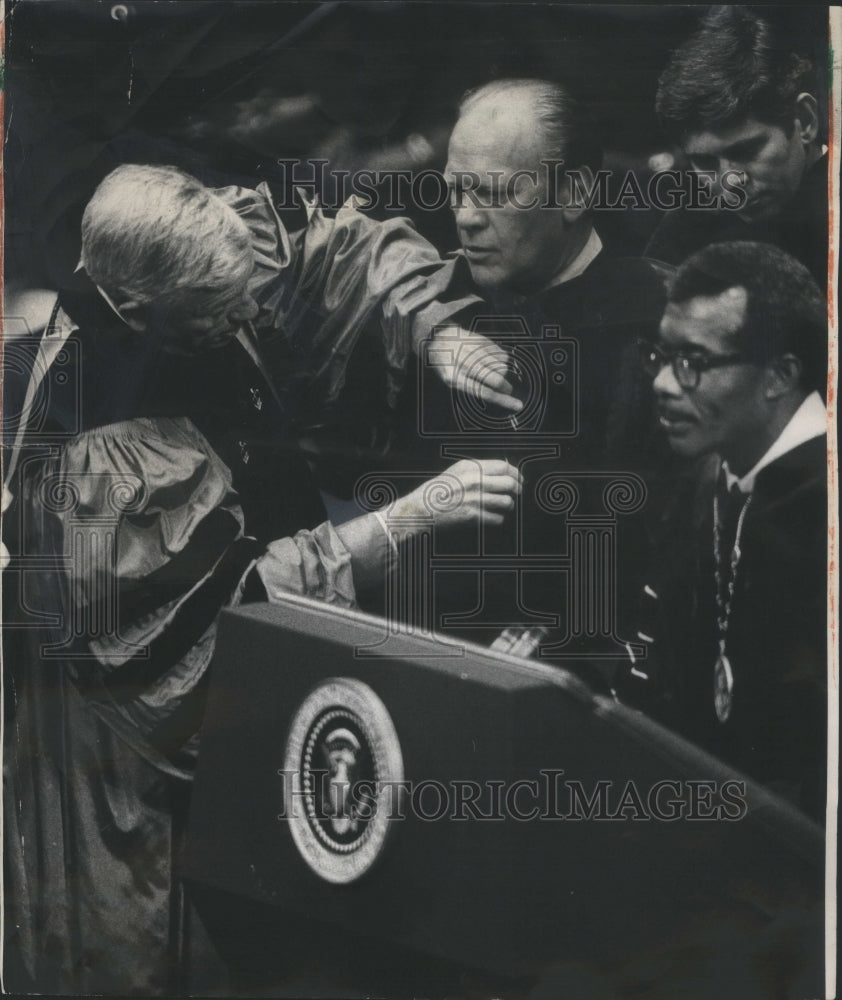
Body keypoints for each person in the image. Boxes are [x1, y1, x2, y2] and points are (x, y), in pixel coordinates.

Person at [1, 164, 522, 995]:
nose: (248, 313)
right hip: (132, 764)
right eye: (221, 311)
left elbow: (327, 252)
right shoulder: (89, 456)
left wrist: (430, 325)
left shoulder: (206, 247)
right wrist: (405, 520)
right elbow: (213, 634)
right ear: (141, 310)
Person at [394, 78, 670, 654]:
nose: (465, 219)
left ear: (573, 193)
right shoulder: (431, 306)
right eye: (455, 192)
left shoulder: (654, 329)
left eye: (493, 194)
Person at [618, 241, 827, 821]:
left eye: (694, 362)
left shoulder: (825, 509)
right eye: (661, 357)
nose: (662, 383)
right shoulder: (706, 477)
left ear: (779, 376)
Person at [645, 7, 827, 288]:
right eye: (705, 163)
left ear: (805, 121)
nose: (731, 185)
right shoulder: (689, 223)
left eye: (746, 152)